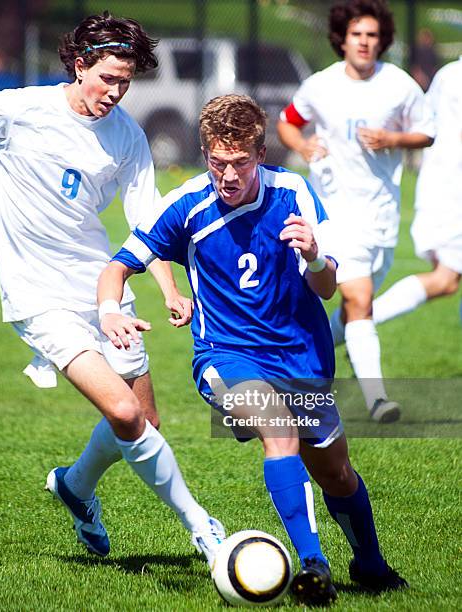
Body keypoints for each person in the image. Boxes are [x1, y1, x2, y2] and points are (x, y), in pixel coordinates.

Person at [0, 12, 225, 565]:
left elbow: (148, 223)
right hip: (38, 296)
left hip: (102, 291)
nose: (116, 92)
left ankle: (75, 489)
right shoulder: (21, 109)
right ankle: (202, 527)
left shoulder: (126, 135)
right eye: (107, 79)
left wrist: (170, 289)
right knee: (124, 414)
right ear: (80, 67)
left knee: (144, 421)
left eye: (125, 82)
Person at [98, 94, 408, 606]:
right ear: (205, 155)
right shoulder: (187, 205)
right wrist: (111, 312)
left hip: (302, 361)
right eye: (217, 162)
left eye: (240, 162)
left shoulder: (295, 194)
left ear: (261, 153)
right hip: (226, 356)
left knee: (336, 472)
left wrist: (312, 255)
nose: (228, 175)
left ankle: (370, 565)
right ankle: (313, 565)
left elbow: (329, 288)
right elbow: (117, 266)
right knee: (278, 431)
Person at [277, 0, 434, 423]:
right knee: (360, 300)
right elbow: (287, 121)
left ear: (381, 40)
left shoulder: (399, 85)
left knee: (352, 312)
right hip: (336, 213)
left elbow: (427, 132)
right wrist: (304, 145)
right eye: (356, 34)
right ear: (341, 40)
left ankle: (300, 364)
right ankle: (377, 399)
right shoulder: (320, 85)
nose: (364, 42)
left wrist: (392, 139)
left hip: (381, 215)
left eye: (371, 35)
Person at [372, 57, 462, 325]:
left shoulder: (448, 73)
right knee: (445, 280)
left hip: (441, 184)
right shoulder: (454, 77)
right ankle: (355, 328)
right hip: (452, 191)